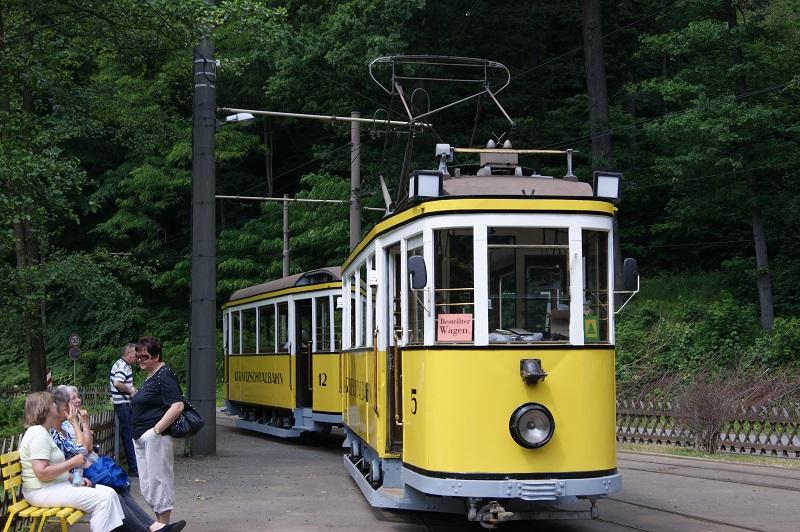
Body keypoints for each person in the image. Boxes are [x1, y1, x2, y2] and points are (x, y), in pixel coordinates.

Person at [49, 387, 186, 532]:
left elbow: (83, 450)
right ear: (57, 408)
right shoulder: (58, 429)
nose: (75, 403)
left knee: (120, 490)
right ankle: (152, 529)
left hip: (82, 473)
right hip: (77, 477)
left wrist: (82, 425)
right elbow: (84, 450)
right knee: (115, 495)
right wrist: (80, 424)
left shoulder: (65, 426)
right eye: (70, 401)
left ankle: (154, 526)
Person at [18, 391, 125, 532]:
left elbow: (50, 468)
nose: (56, 405)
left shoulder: (44, 431)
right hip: (41, 491)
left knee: (110, 493)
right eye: (53, 403)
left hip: (52, 486)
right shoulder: (38, 434)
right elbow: (41, 472)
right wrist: (73, 462)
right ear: (45, 408)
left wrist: (74, 477)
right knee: (104, 500)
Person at [131, 336, 184, 526]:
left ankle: (163, 525)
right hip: (142, 437)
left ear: (156, 356)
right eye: (138, 356)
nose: (140, 360)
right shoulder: (151, 375)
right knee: (148, 486)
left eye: (144, 356)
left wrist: (156, 430)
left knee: (159, 482)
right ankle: (160, 524)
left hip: (155, 438)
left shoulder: (164, 374)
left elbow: (177, 405)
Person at [110, 343, 139, 476]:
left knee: (129, 435)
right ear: (128, 354)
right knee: (129, 436)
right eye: (135, 355)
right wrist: (131, 391)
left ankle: (134, 466)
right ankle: (134, 468)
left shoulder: (123, 365)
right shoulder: (122, 366)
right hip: (123, 405)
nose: (137, 358)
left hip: (123, 404)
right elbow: (117, 382)